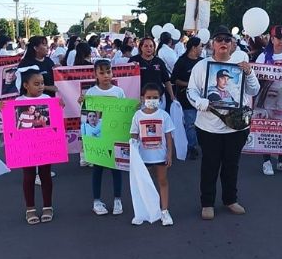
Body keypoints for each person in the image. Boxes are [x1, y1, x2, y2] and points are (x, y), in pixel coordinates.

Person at [187, 26, 260, 220]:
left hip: (236, 127)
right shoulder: (202, 67)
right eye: (219, 39)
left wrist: (250, 73)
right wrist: (199, 102)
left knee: (231, 165)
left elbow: (254, 91)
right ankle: (207, 203)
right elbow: (191, 91)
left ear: (232, 44)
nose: (223, 43)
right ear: (212, 43)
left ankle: (230, 199)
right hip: (209, 127)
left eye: (227, 40)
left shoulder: (240, 64)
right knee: (210, 166)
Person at [78, 59, 126, 215]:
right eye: (102, 72)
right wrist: (82, 103)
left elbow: (124, 113)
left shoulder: (118, 92)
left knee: (116, 168)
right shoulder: (91, 92)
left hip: (114, 136)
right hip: (98, 139)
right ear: (95, 74)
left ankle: (117, 200)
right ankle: (96, 201)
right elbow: (86, 115)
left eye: (108, 71)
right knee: (97, 169)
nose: (106, 75)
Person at [15, 67, 61, 224]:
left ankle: (48, 206)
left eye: (42, 83)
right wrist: (3, 109)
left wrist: (59, 107)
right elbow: (11, 124)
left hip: (44, 145)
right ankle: (30, 208)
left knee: (45, 174)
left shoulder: (48, 98)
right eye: (36, 83)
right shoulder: (18, 102)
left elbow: (54, 122)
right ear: (26, 85)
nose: (41, 86)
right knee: (28, 176)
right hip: (26, 146)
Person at [253, 25, 282, 175]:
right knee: (267, 129)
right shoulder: (263, 57)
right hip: (268, 99)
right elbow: (256, 79)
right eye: (279, 38)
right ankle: (266, 161)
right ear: (272, 39)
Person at [130, 83, 175, 226]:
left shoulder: (164, 115)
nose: (151, 100)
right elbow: (134, 134)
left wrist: (169, 154)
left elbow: (168, 136)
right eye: (148, 97)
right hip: (143, 157)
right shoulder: (137, 115)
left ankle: (164, 211)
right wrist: (133, 150)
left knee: (162, 181)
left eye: (155, 97)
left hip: (160, 156)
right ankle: (143, 212)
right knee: (144, 184)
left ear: (160, 98)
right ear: (142, 98)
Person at [170, 37, 204, 160]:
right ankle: (192, 147)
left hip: (202, 99)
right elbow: (174, 80)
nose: (202, 48)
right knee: (190, 124)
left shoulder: (202, 62)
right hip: (186, 99)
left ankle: (202, 145)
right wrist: (190, 84)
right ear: (194, 48)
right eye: (200, 46)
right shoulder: (181, 61)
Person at [129, 37, 176, 109]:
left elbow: (166, 80)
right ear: (141, 47)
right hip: (141, 99)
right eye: (146, 46)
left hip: (158, 98)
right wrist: (131, 67)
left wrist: (172, 95)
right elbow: (127, 78)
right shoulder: (134, 60)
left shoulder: (159, 61)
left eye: (151, 46)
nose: (149, 48)